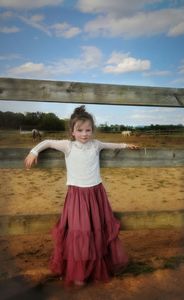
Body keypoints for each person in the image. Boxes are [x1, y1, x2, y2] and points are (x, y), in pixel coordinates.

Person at [24, 105, 139, 287]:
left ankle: (93, 271)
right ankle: (78, 272)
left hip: (96, 194)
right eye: (80, 130)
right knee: (79, 233)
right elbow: (46, 142)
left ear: (92, 131)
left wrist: (126, 145)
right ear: (72, 131)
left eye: (88, 130)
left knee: (95, 232)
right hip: (77, 196)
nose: (85, 134)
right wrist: (34, 151)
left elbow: (113, 144)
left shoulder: (96, 144)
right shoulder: (67, 146)